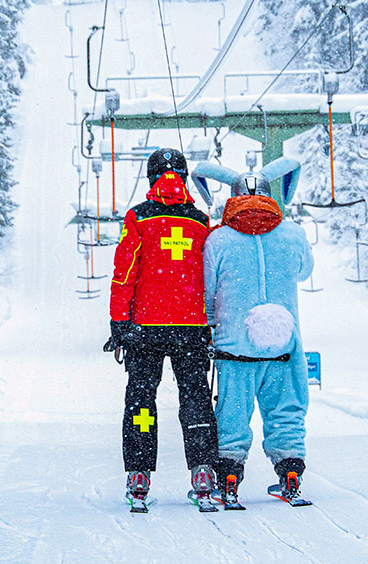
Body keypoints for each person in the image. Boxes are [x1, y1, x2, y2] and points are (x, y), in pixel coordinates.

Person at [104, 147, 219, 513]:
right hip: (191, 328)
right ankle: (203, 472)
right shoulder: (201, 222)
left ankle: (139, 474)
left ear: (151, 178)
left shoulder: (139, 218)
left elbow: (125, 272)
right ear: (183, 178)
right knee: (196, 399)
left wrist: (119, 323)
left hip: (145, 330)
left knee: (141, 402)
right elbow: (210, 278)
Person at [203, 170, 314, 506]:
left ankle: (230, 477)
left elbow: (207, 290)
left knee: (232, 414)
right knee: (286, 410)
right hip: (283, 342)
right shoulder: (293, 234)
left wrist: (210, 328)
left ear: (233, 196)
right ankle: (290, 472)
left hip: (234, 345)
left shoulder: (218, 240)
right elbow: (305, 270)